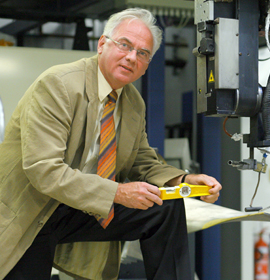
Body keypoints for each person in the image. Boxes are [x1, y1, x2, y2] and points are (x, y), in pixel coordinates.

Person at [0, 8, 221, 280]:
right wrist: (117, 193)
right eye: (125, 45)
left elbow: (140, 159)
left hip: (81, 206)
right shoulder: (58, 84)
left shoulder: (132, 102)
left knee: (164, 208)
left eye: (142, 53)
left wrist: (184, 179)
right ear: (102, 44)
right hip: (31, 211)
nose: (131, 57)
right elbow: (43, 170)